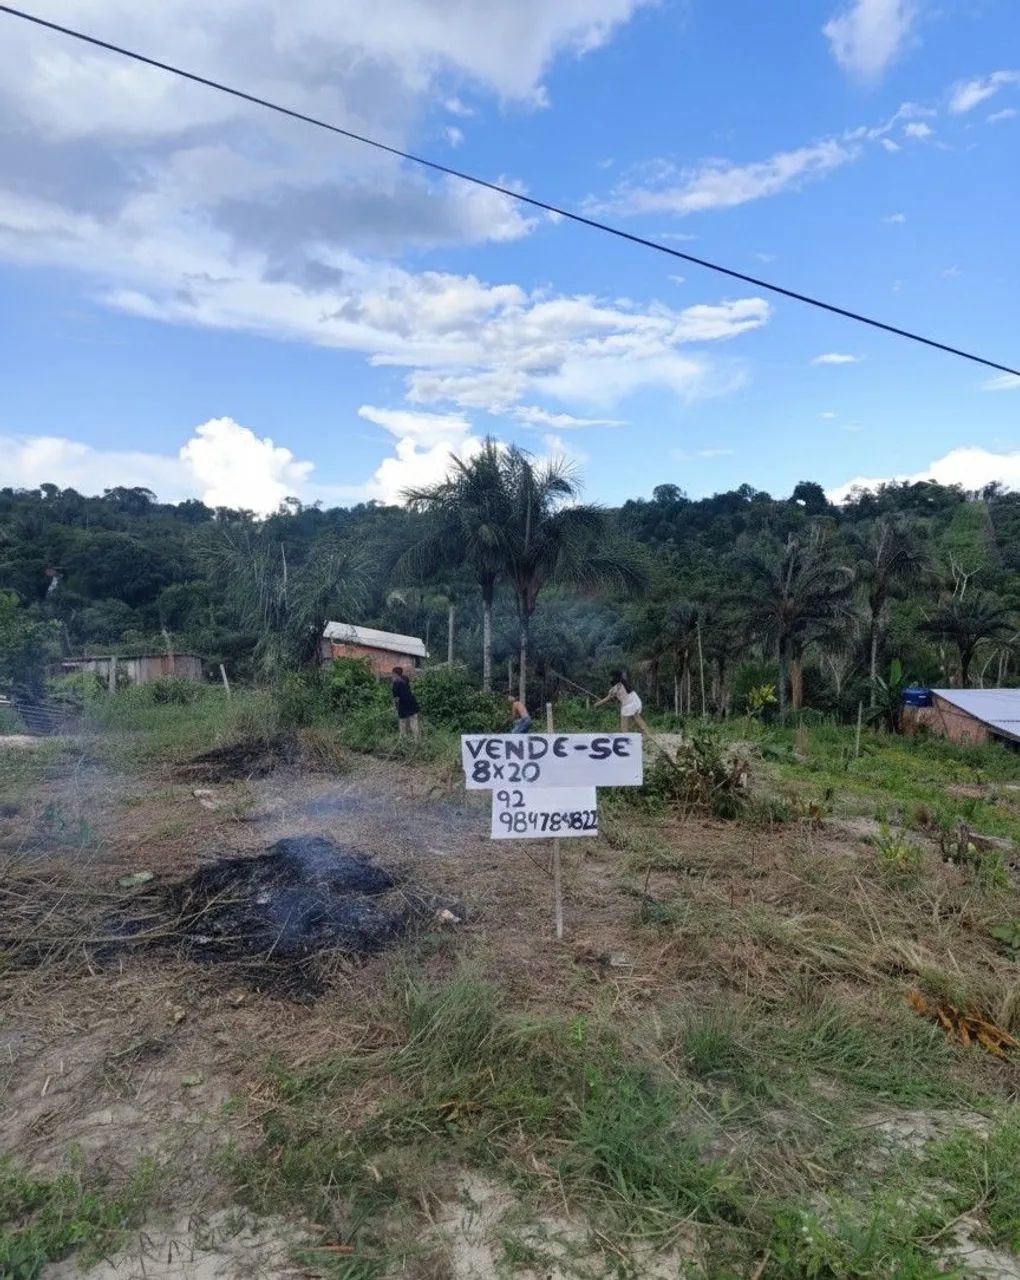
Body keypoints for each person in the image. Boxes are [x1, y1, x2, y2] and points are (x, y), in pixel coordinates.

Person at [391, 666, 420, 739]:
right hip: (412, 702)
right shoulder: (406, 678)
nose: (392, 675)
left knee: (402, 722)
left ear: (395, 674)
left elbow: (396, 699)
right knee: (413, 722)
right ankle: (416, 739)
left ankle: (403, 739)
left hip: (403, 705)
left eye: (393, 674)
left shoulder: (395, 683)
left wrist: (396, 708)